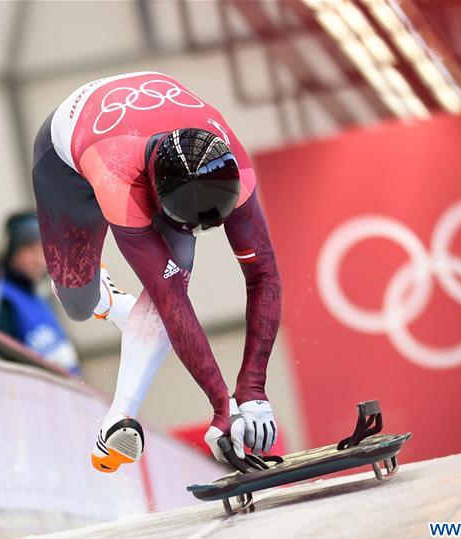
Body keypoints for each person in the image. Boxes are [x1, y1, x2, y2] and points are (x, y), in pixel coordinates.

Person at [32, 72, 282, 472]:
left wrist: (252, 388)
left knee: (175, 273)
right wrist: (222, 405)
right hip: (70, 160)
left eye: (209, 223)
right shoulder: (118, 177)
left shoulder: (232, 162)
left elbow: (264, 275)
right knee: (79, 303)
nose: (197, 231)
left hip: (148, 142)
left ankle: (116, 419)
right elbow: (170, 302)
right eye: (186, 221)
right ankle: (109, 301)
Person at [0, 211, 80, 373]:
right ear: (9, 251)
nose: (39, 260)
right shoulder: (0, 299)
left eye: (44, 251)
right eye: (30, 250)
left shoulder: (39, 296)